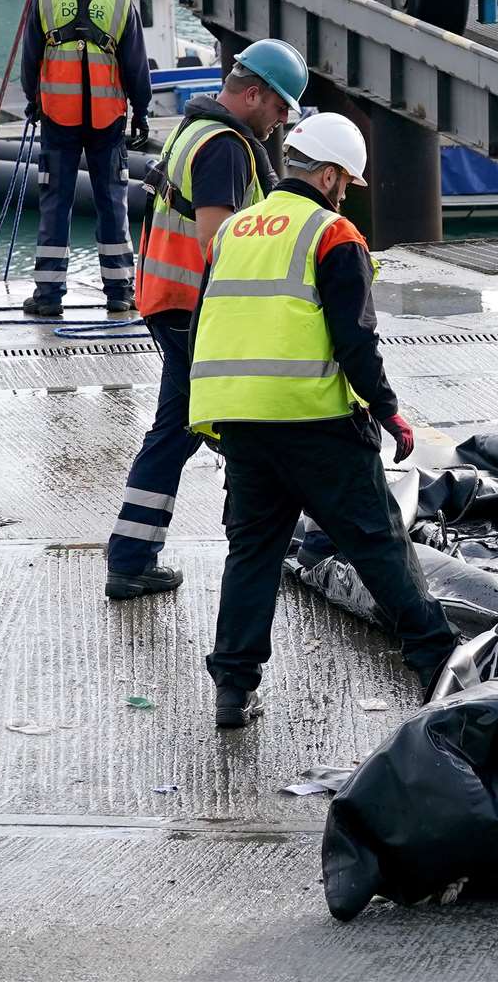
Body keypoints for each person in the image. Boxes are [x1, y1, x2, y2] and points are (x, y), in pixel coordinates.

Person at [188, 112, 455, 727]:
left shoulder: (235, 231)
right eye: (346, 182)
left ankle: (233, 686)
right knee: (379, 544)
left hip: (241, 423)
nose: (345, 193)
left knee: (252, 552)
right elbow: (355, 339)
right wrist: (388, 411)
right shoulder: (332, 235)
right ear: (331, 174)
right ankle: (438, 662)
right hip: (314, 420)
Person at [102, 38, 308, 599]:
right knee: (247, 427)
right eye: (280, 105)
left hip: (169, 300)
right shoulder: (224, 147)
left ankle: (132, 556)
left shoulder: (192, 131)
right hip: (197, 309)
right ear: (254, 93)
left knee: (181, 429)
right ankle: (295, 538)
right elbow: (219, 240)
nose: (283, 119)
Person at [19, 0, 151, 317]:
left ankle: (48, 296)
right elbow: (135, 66)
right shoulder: (121, 1)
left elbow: (31, 58)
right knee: (112, 200)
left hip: (57, 116)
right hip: (107, 120)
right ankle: (119, 293)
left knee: (55, 201)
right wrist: (141, 112)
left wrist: (33, 101)